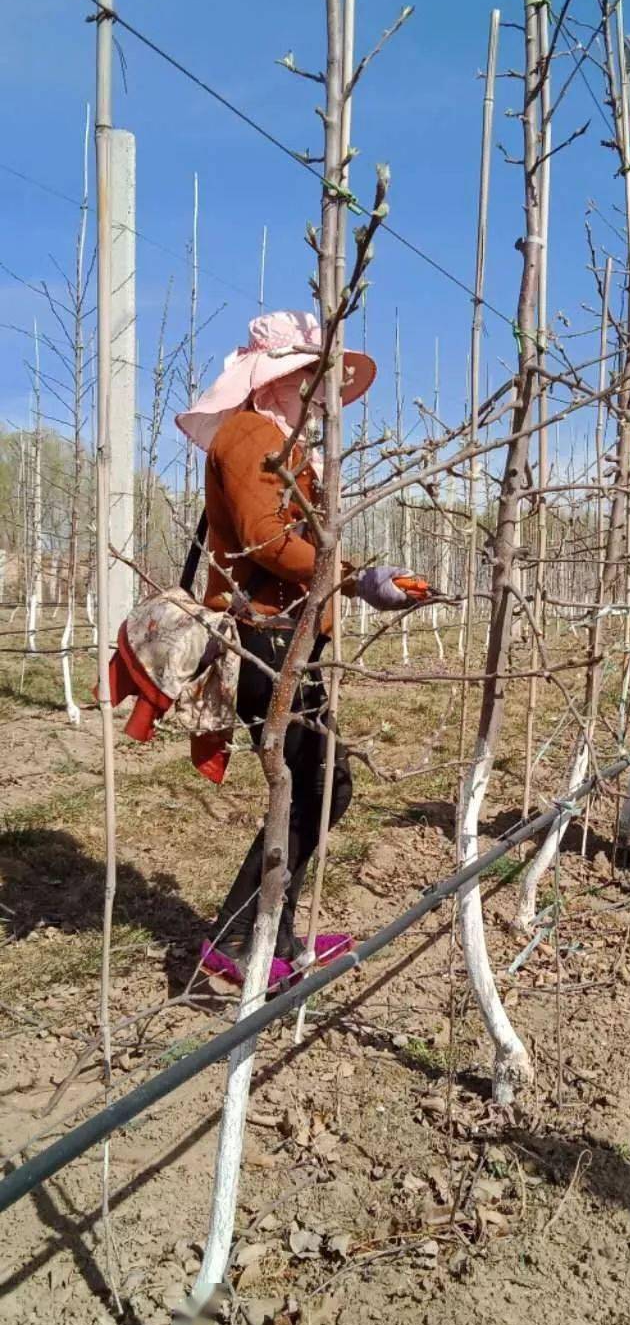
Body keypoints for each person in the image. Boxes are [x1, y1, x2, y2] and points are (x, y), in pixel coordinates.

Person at [176, 309, 430, 987]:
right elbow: (265, 539)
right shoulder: (250, 435)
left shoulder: (284, 445)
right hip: (265, 638)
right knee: (312, 783)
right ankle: (239, 939)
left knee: (317, 784)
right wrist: (352, 577)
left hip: (289, 633)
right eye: (309, 381)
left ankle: (271, 928)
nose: (321, 397)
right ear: (274, 382)